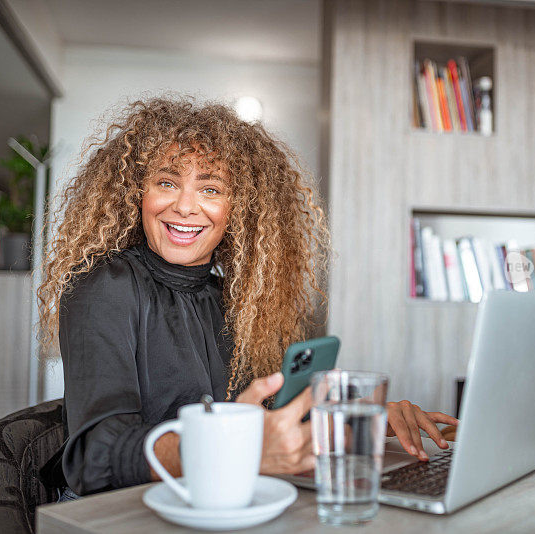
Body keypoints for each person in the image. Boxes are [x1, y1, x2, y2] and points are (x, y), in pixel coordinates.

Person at [38, 95, 458, 498]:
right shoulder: (104, 286)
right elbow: (95, 457)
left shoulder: (238, 301)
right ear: (137, 194)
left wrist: (361, 417)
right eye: (166, 182)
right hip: (121, 513)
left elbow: (273, 422)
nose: (185, 206)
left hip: (218, 499)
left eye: (210, 189)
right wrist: (227, 449)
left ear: (239, 208)